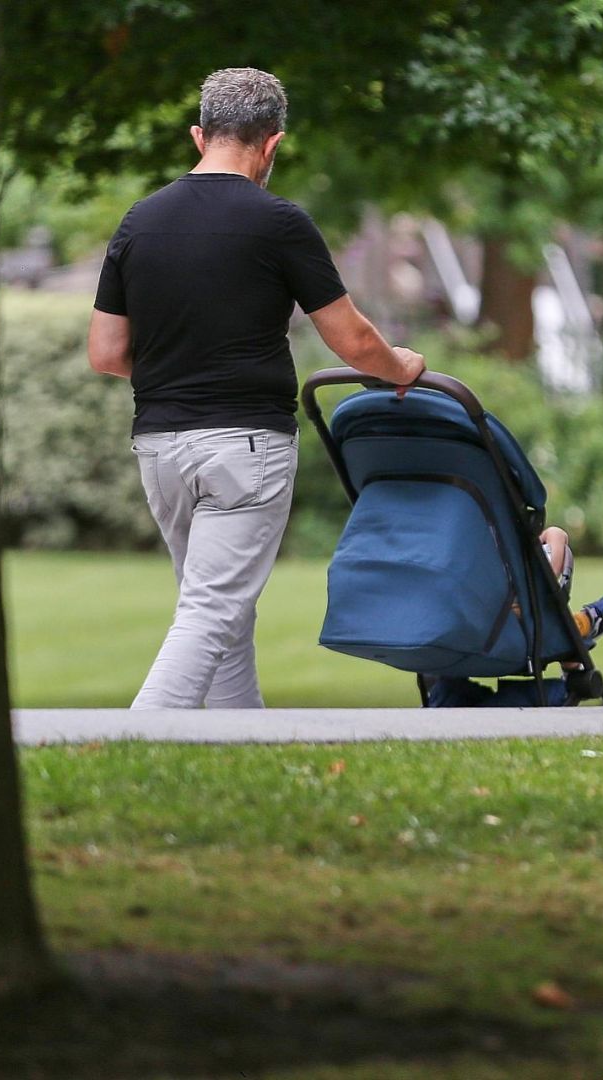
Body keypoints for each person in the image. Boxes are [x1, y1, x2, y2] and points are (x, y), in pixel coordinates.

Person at [88, 67, 424, 710]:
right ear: (273, 144)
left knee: (223, 613)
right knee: (213, 612)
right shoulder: (279, 223)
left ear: (198, 135)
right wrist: (403, 368)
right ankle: (132, 743)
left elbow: (106, 354)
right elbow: (352, 341)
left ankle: (239, 744)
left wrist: (180, 366)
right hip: (245, 449)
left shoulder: (139, 222)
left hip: (160, 449)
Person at [425, 525, 603, 707]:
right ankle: (575, 631)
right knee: (561, 686)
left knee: (448, 695)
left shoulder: (421, 536)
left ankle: (574, 633)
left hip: (441, 646)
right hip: (510, 636)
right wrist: (555, 538)